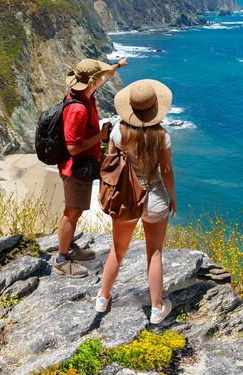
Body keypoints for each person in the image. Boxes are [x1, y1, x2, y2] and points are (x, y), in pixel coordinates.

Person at [95, 79, 177, 325]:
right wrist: (173, 198)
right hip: (154, 196)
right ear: (154, 109)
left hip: (126, 198)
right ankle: (156, 308)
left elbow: (111, 163)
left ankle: (103, 298)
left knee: (118, 250)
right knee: (155, 252)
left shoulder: (118, 132)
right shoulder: (162, 135)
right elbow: (167, 170)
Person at [54, 57, 127, 278]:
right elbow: (73, 147)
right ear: (91, 82)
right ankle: (61, 259)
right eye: (98, 78)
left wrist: (117, 66)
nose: (100, 80)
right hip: (74, 168)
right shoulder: (78, 109)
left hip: (80, 166)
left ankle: (69, 248)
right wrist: (101, 136)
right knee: (72, 212)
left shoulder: (83, 94)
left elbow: (104, 78)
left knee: (75, 211)